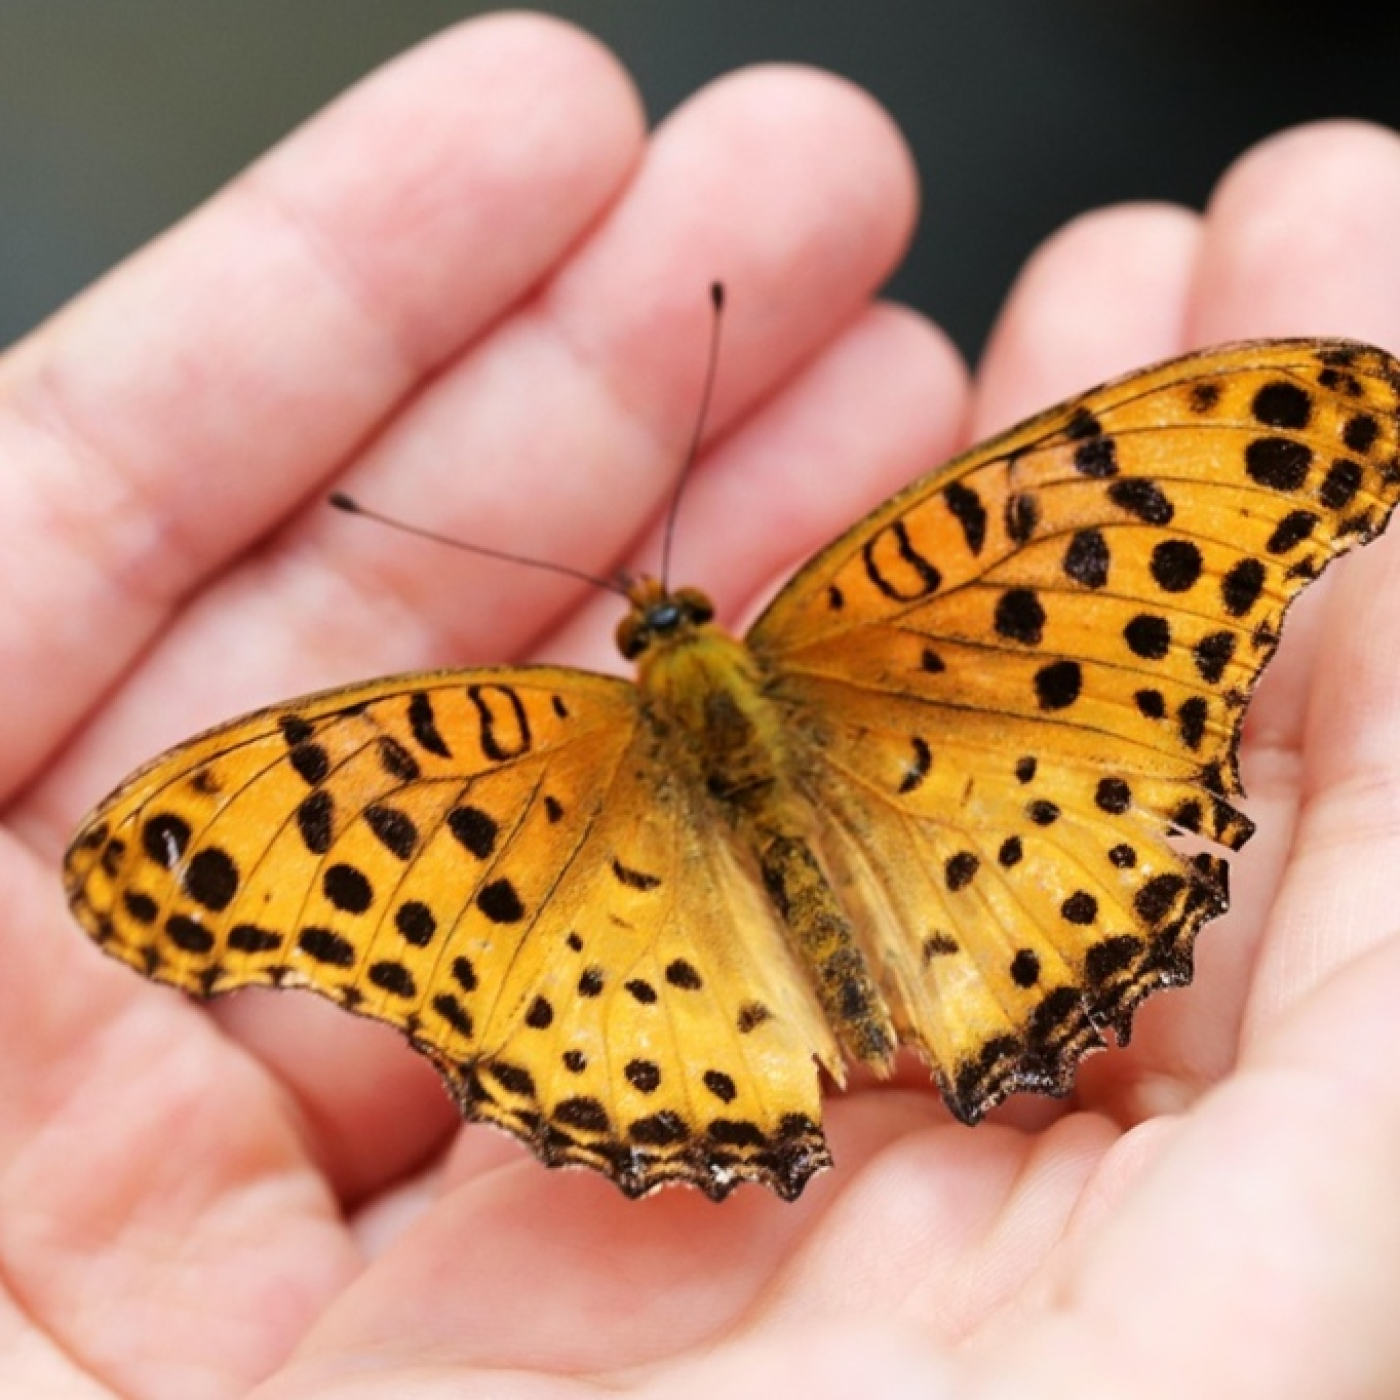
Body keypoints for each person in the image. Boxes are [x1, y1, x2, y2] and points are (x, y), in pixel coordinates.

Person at [7, 12, 1400, 1396]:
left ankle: (766, 1073)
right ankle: (972, 995)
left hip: (644, 980)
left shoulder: (447, 757)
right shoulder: (908, 585)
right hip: (1005, 843)